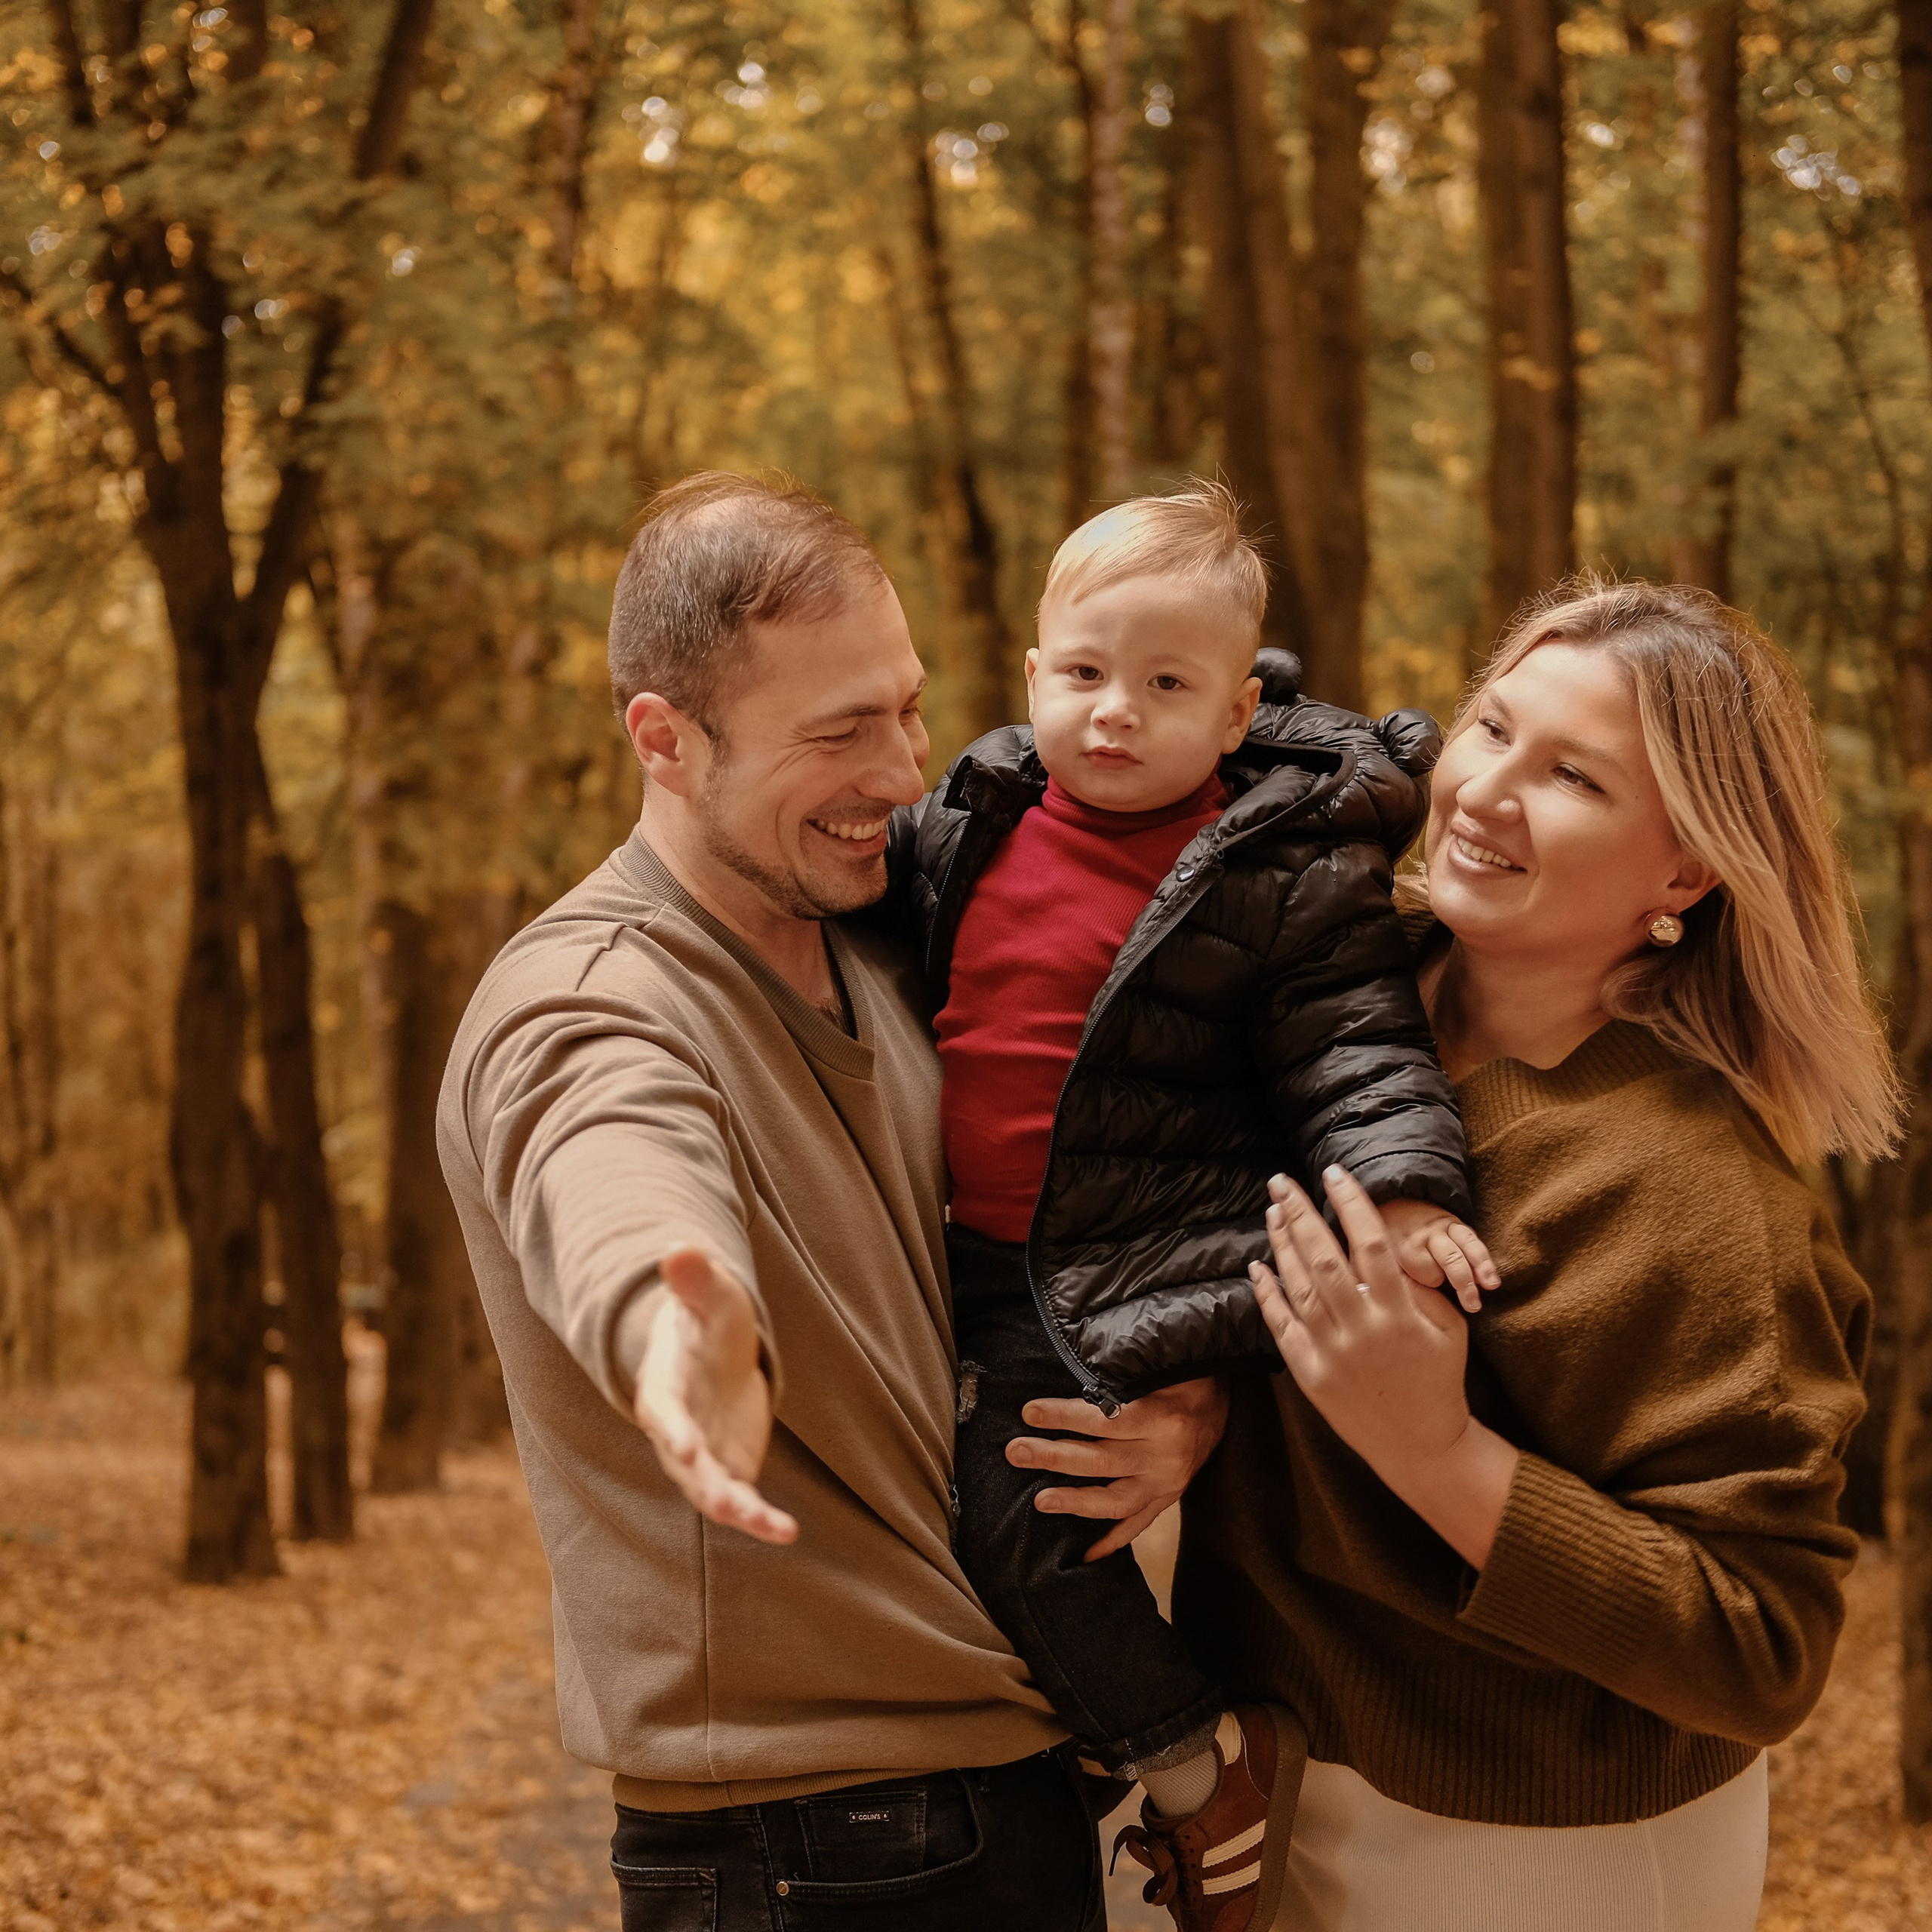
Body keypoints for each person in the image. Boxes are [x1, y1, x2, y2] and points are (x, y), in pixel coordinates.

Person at [438, 472, 1225, 1932]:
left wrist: (1184, 1402)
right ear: (663, 741)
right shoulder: (590, 999)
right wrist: (678, 1341)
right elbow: (613, 1168)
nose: (902, 770)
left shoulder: (889, 948)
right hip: (808, 1850)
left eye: (908, 708)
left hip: (1005, 1789)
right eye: (838, 733)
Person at [1166, 578, 1896, 1931]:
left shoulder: (1694, 1195)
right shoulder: (1317, 992)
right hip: (1275, 1785)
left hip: (1542, 1848)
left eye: (1573, 776)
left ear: (1686, 871)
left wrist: (1437, 1453)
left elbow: (1763, 1643)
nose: (1487, 791)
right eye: (1492, 728)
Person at [885, 483, 1494, 1931]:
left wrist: (1406, 1195)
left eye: (1166, 686)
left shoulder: (1279, 871)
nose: (1115, 712)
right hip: (953, 1256)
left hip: (1125, 1263)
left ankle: (1197, 1765)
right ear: (1032, 675)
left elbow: (1358, 1049)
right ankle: (1077, 1768)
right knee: (915, 1515)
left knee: (1019, 1519)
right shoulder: (969, 817)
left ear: (1233, 715)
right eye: (1086, 673)